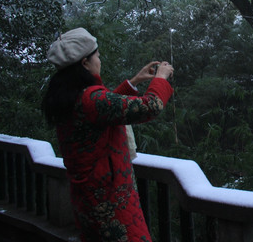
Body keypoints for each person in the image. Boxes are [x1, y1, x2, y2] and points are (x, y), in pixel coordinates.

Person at [41, 27, 174, 242]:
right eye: (97, 56)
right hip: (111, 202)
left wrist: (135, 81)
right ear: (85, 63)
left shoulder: (69, 96)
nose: (99, 61)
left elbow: (102, 111)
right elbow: (150, 107)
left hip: (87, 199)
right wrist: (161, 78)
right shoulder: (90, 100)